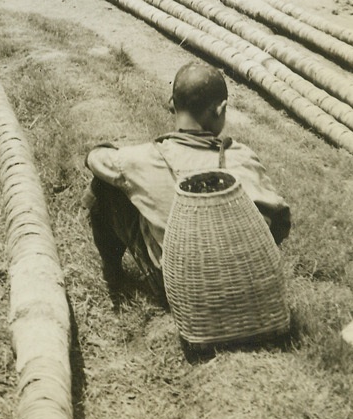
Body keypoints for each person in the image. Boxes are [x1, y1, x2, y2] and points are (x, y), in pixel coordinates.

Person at [85, 61, 290, 301]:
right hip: (237, 285)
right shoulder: (242, 157)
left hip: (177, 287)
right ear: (220, 109)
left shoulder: (142, 158)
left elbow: (94, 158)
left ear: (172, 104)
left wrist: (111, 150)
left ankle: (113, 275)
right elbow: (280, 221)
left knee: (105, 185)